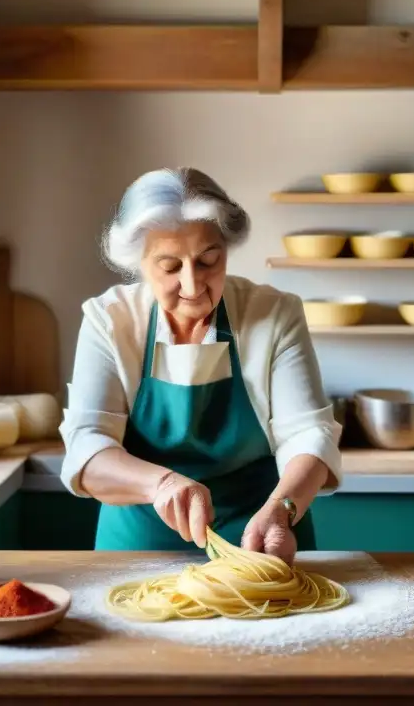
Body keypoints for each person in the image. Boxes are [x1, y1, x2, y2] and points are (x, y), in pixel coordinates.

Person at [60, 167, 342, 563]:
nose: (193, 286)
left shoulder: (274, 314)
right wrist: (161, 485)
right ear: (139, 262)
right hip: (140, 544)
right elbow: (87, 448)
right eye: (171, 267)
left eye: (209, 260)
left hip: (260, 535)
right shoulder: (110, 320)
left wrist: (283, 510)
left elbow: (309, 435)